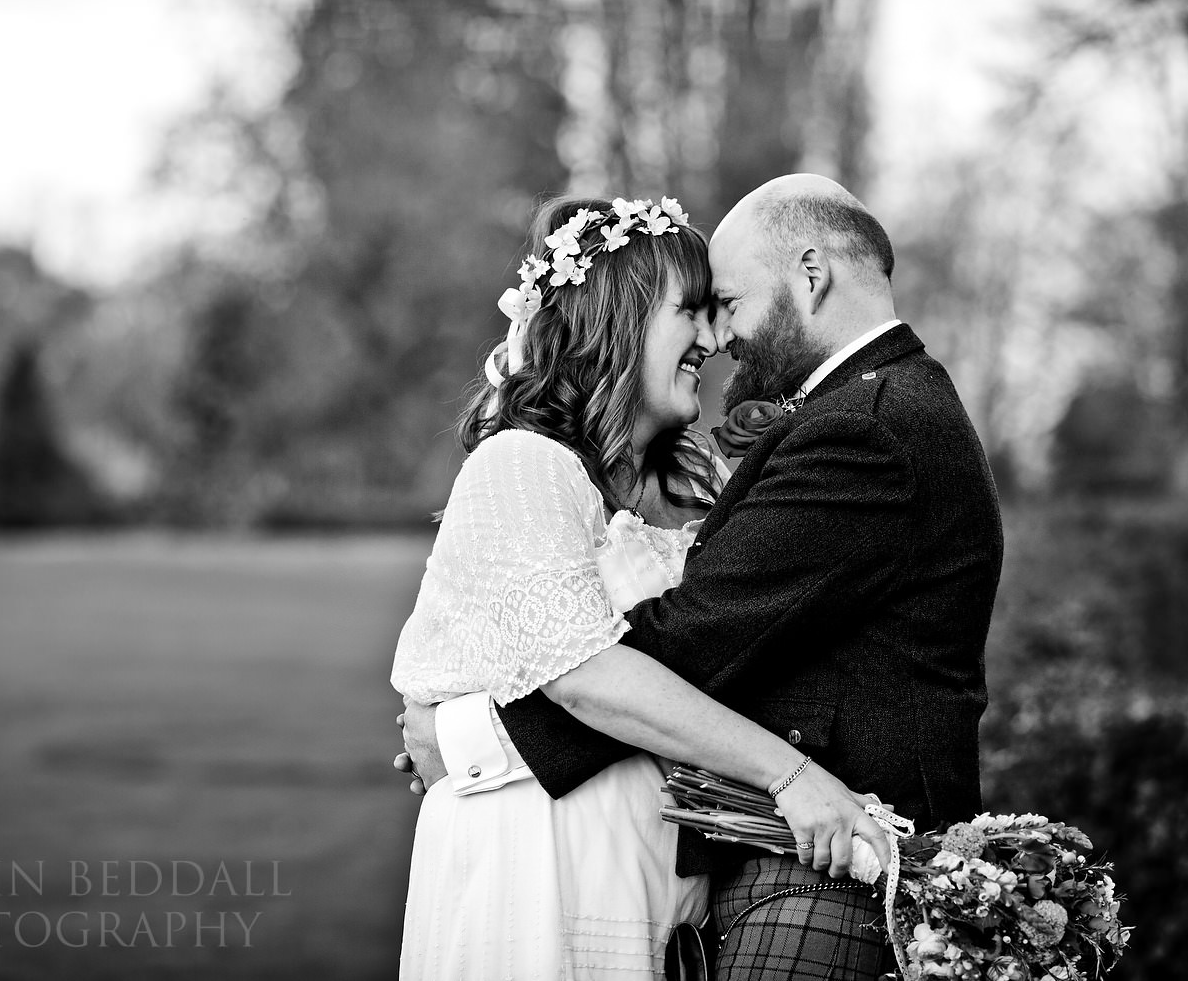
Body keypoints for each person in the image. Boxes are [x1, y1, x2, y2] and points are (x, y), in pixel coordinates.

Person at [401, 174, 1004, 980]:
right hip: (561, 849)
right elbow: (613, 658)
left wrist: (476, 739)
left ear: (812, 275)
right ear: (619, 323)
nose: (717, 337)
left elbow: (690, 640)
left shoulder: (868, 426)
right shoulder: (530, 466)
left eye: (725, 302)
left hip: (787, 862)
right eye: (695, 307)